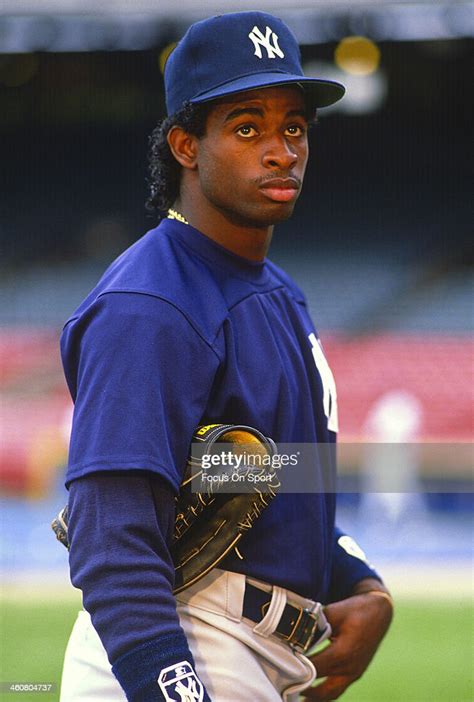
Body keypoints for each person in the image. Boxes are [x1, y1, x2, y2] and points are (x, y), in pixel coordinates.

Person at [59, 11, 393, 702]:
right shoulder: (150, 304)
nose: (281, 150)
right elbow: (112, 533)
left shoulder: (277, 293)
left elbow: (285, 475)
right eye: (248, 127)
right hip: (179, 641)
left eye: (293, 126)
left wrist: (354, 579)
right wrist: (169, 686)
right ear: (186, 144)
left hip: (258, 649)